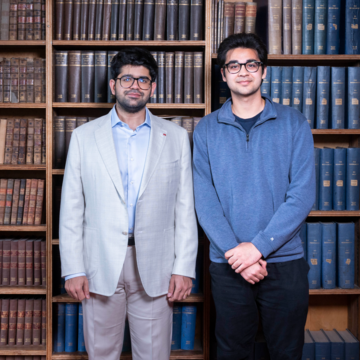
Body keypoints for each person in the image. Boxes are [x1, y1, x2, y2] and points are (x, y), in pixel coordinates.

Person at [59, 47, 198, 360]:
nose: (135, 85)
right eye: (127, 79)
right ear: (113, 85)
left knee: (153, 355)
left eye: (143, 80)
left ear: (153, 87)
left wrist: (184, 268)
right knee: (102, 354)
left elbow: (185, 209)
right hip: (98, 265)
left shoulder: (175, 136)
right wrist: (73, 269)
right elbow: (71, 210)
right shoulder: (83, 136)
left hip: (157, 265)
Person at [193, 33, 315, 360]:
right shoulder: (206, 130)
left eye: (251, 64)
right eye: (234, 65)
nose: (243, 71)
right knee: (232, 353)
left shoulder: (294, 123)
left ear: (263, 71)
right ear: (223, 74)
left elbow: (302, 195)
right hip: (228, 264)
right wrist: (237, 254)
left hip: (284, 263)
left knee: (287, 353)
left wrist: (257, 248)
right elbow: (205, 201)